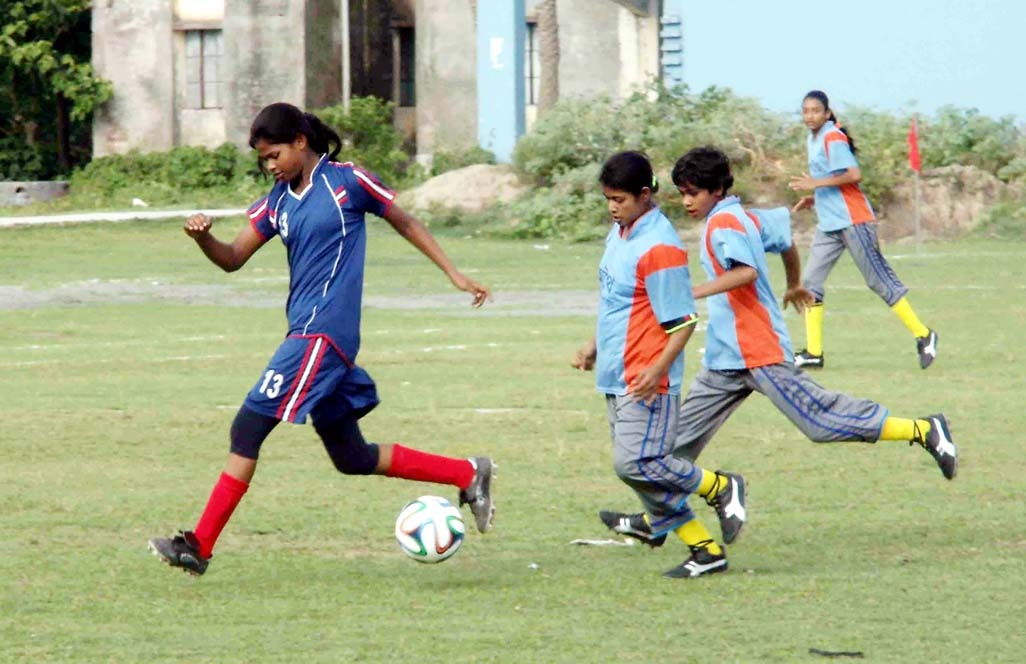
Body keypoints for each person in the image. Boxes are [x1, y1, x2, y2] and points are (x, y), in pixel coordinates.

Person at [148, 102, 495, 576]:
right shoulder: (276, 202)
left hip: (321, 334)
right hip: (308, 334)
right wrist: (203, 239)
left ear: (300, 142)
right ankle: (467, 473)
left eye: (273, 156)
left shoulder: (347, 181)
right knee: (350, 456)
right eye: (263, 160)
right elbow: (231, 258)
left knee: (247, 429)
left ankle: (199, 546)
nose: (269, 166)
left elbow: (405, 221)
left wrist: (454, 273)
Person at [658, 147, 957, 484]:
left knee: (820, 421)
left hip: (759, 352)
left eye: (693, 193)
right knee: (675, 445)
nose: (686, 201)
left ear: (716, 189)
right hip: (725, 357)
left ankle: (924, 430)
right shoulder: (746, 216)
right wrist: (794, 283)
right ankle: (663, 520)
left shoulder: (725, 221)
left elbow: (746, 272)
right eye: (682, 193)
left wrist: (692, 293)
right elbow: (784, 239)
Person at [573, 150, 748, 580]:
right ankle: (706, 551)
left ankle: (719, 486)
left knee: (635, 464)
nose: (612, 207)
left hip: (647, 377)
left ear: (645, 194)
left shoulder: (661, 247)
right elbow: (618, 300)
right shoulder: (620, 233)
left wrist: (657, 369)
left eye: (619, 199)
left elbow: (685, 319)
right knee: (643, 473)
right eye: (607, 199)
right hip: (616, 373)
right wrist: (594, 344)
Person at [789, 90, 937, 370]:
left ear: (827, 113)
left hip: (854, 221)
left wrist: (816, 184)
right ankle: (813, 352)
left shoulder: (832, 136)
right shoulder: (814, 137)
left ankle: (924, 335)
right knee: (809, 284)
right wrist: (815, 197)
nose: (809, 116)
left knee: (878, 281)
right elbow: (833, 179)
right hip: (830, 224)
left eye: (815, 111)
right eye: (805, 111)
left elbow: (854, 175)